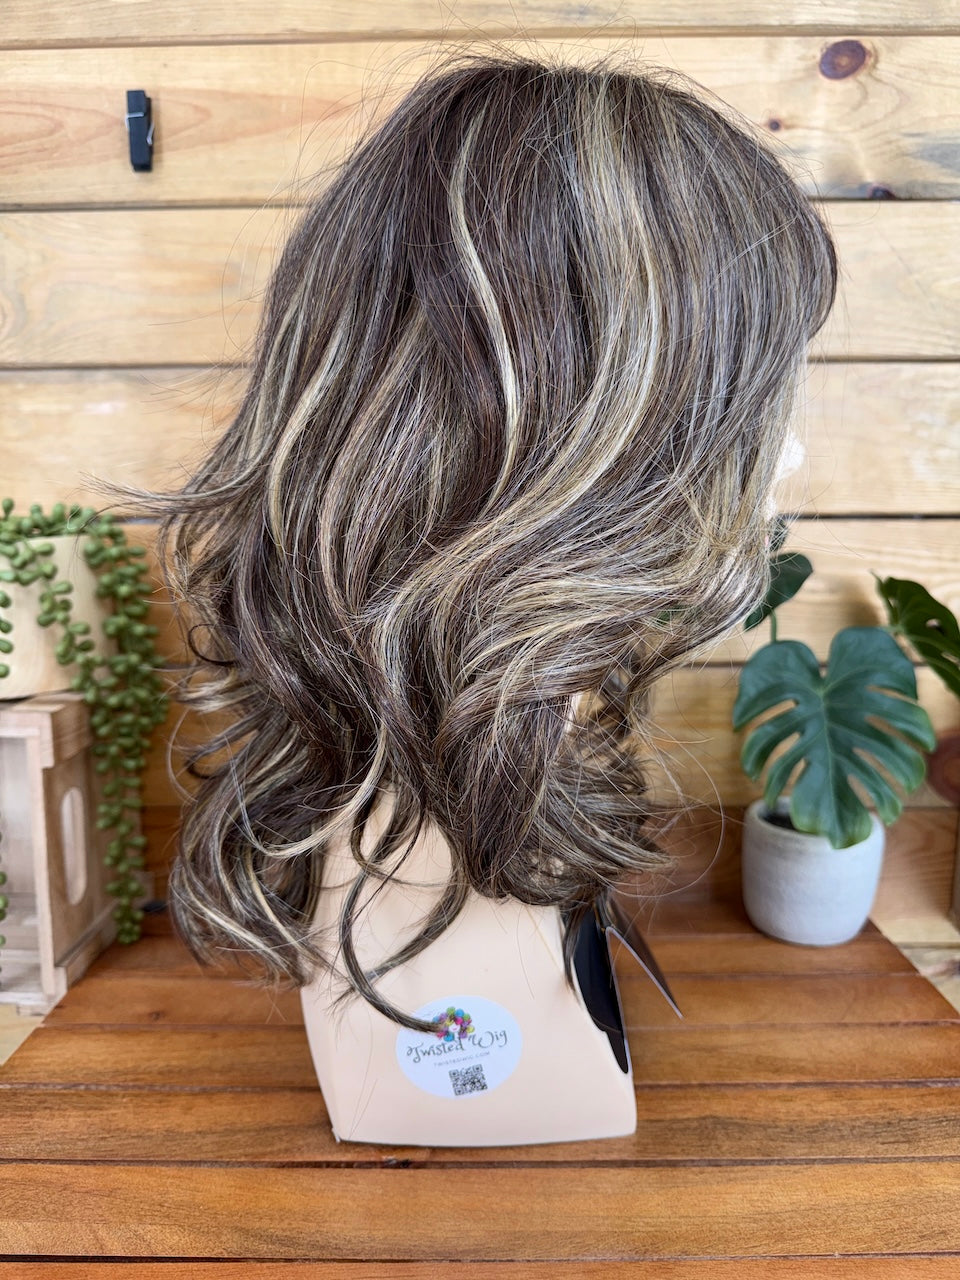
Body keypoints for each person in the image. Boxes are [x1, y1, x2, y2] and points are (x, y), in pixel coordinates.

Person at [90, 48, 838, 1143]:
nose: (786, 460)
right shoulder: (424, 849)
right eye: (727, 413)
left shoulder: (517, 735)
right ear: (561, 462)